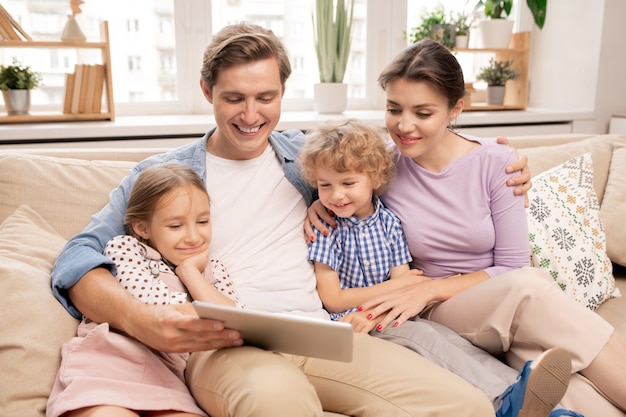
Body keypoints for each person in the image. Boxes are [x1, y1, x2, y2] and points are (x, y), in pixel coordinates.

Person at [50, 23, 529, 417]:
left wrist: (494, 159)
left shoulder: (309, 157)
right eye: (234, 98)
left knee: (464, 405)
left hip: (322, 332)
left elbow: (394, 155)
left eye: (266, 96)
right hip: (229, 346)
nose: (252, 115)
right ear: (206, 91)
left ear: (283, 92)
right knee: (281, 403)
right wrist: (145, 321)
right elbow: (76, 258)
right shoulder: (164, 176)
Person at [307, 39, 626, 417]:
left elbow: (512, 265)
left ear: (455, 109)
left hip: (484, 300)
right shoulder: (382, 169)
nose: (404, 125)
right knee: (531, 289)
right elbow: (329, 163)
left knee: (564, 386)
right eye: (394, 109)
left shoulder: (498, 162)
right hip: (435, 313)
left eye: (422, 113)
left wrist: (427, 288)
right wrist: (316, 201)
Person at [299, 118, 573, 417]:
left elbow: (405, 278)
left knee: (451, 341)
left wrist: (397, 291)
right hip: (356, 321)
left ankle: (549, 408)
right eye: (325, 185)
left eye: (348, 183)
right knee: (428, 341)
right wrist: (389, 293)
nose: (336, 195)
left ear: (374, 178)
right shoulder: (327, 229)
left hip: (394, 311)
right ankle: (505, 401)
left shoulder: (389, 222)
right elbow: (333, 298)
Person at [47, 164, 242, 417]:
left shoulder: (213, 269)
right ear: (142, 228)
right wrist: (202, 301)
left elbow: (237, 322)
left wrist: (190, 273)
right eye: (176, 226)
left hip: (169, 376)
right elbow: (153, 307)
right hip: (110, 363)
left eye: (203, 221)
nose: (194, 237)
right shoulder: (126, 248)